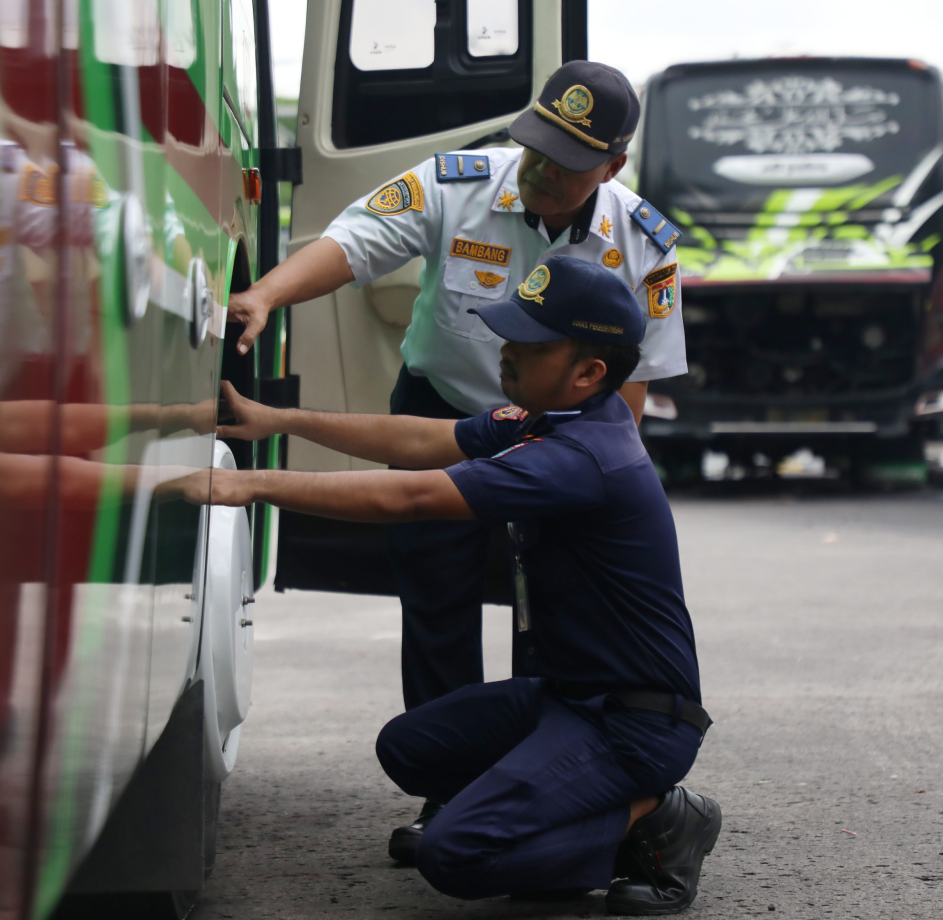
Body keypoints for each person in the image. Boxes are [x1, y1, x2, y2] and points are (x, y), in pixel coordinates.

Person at [227, 59, 687, 854]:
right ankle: (453, 792)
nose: (541, 171)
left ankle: (543, 781)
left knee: (550, 611)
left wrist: (596, 487)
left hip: (559, 438)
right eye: (536, 147)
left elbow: (628, 388)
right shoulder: (458, 182)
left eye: (568, 163)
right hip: (447, 408)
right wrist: (267, 294)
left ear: (612, 167)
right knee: (437, 603)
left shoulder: (644, 241)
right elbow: (354, 241)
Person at [173, 257, 718, 914]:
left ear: (589, 372)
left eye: (531, 343)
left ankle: (655, 821)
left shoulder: (580, 460)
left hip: (633, 724)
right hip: (572, 699)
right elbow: (419, 439)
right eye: (511, 333)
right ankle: (565, 814)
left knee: (454, 854)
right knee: (409, 748)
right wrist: (280, 421)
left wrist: (253, 486)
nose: (508, 350)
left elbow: (409, 496)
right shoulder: (553, 420)